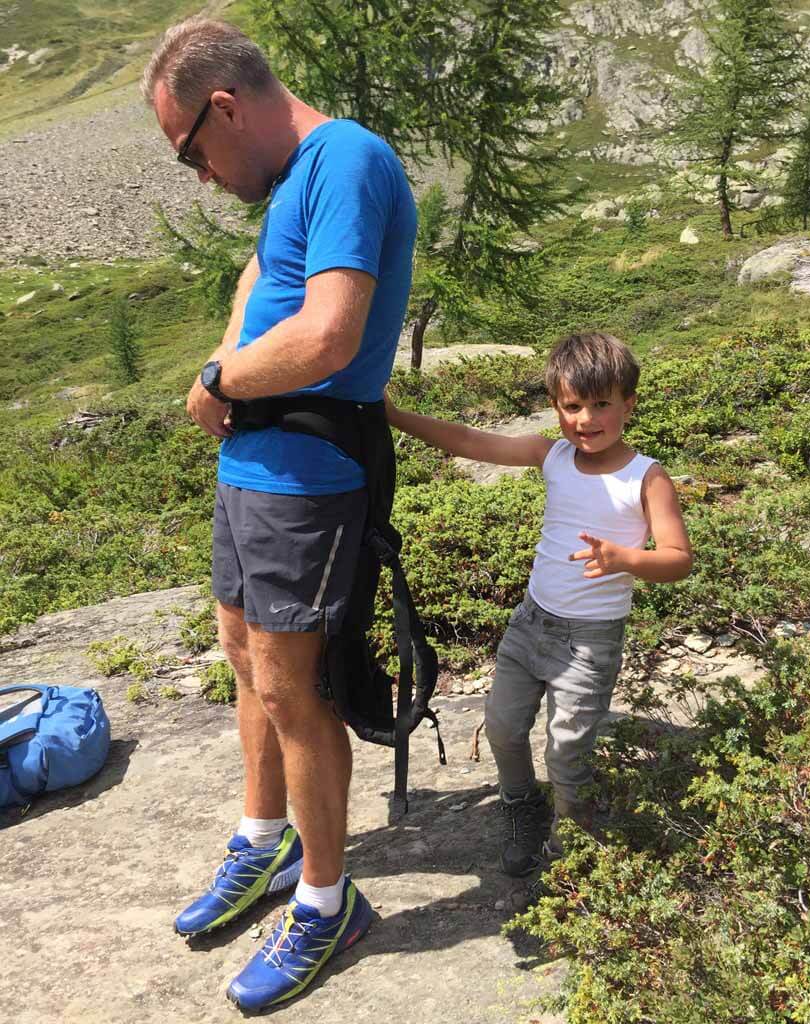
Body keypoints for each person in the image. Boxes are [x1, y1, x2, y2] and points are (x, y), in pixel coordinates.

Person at [141, 17, 417, 1011]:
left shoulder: (346, 157)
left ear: (224, 106)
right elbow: (263, 281)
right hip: (257, 465)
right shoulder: (295, 178)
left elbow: (332, 330)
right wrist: (223, 374)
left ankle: (326, 899)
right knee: (246, 664)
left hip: (309, 472)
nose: (200, 175)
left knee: (294, 689)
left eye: (192, 151)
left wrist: (219, 377)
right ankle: (263, 840)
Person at [385, 331, 693, 875]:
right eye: (572, 405)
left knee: (567, 751)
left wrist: (626, 559)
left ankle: (570, 841)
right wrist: (395, 416)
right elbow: (471, 442)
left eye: (601, 404)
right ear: (555, 406)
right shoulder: (550, 455)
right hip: (530, 623)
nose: (585, 419)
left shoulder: (645, 476)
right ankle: (522, 805)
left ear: (629, 403)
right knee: (502, 727)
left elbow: (677, 558)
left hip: (590, 641)